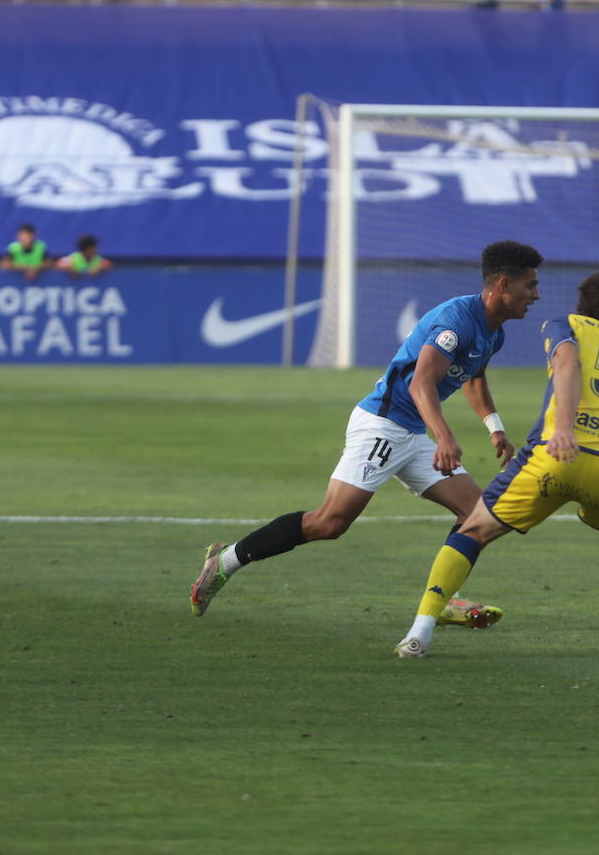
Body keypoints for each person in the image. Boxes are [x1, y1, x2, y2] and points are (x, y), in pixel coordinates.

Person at [189, 241, 543, 629]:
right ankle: (225, 560)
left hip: (412, 433)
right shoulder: (457, 321)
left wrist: (495, 427)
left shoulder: (494, 333)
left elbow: (474, 377)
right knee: (330, 523)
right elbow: (421, 383)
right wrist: (444, 437)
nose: (536, 295)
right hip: (382, 425)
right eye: (530, 285)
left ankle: (440, 600)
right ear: (504, 284)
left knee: (478, 516)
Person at [393, 269, 599, 659]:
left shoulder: (566, 325)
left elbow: (568, 365)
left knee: (473, 531)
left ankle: (419, 634)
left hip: (552, 457)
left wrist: (565, 429)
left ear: (582, 304)